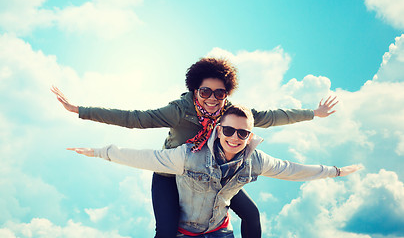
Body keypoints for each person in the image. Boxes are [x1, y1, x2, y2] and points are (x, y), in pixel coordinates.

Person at [52, 57, 338, 238]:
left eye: (220, 93)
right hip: (172, 172)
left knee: (251, 214)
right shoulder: (179, 110)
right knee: (166, 231)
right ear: (194, 91)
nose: (213, 99)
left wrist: (314, 113)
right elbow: (134, 119)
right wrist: (78, 109)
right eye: (205, 92)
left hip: (211, 174)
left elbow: (271, 117)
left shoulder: (232, 113)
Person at [68, 105, 361, 238]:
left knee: (252, 213)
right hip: (184, 229)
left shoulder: (253, 159)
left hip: (220, 232)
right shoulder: (188, 155)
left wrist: (334, 171)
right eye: (229, 131)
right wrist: (99, 151)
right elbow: (144, 156)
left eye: (242, 134)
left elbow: (292, 169)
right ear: (218, 129)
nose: (235, 137)